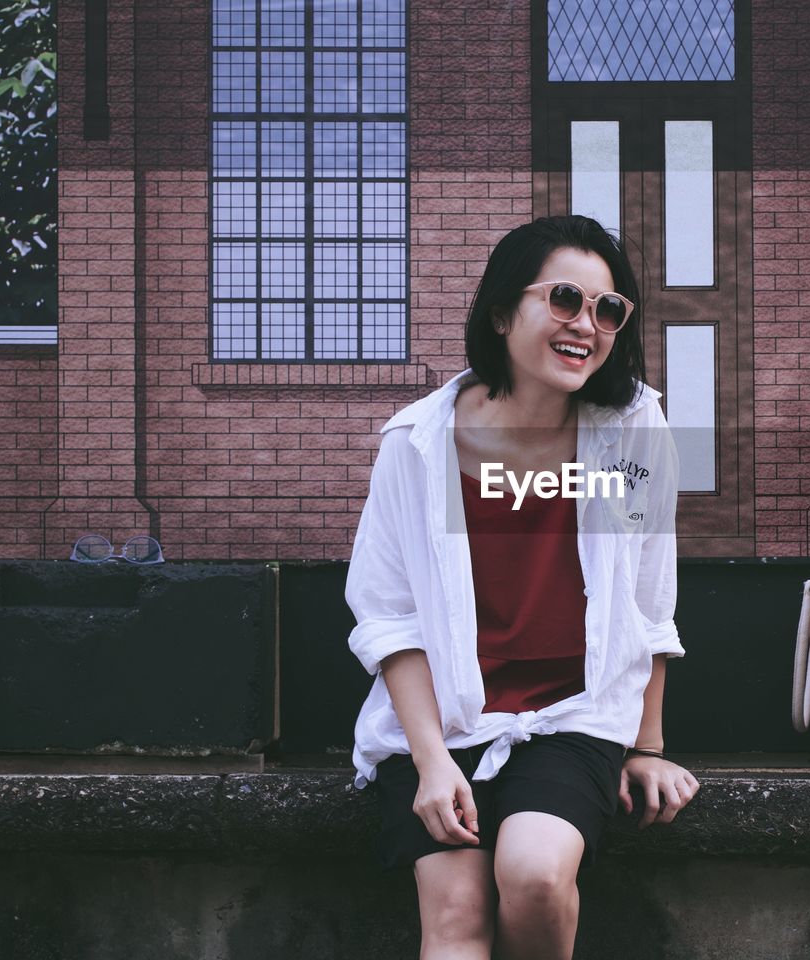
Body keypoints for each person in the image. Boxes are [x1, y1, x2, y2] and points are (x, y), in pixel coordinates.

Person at [345, 215, 699, 960]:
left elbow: (647, 596)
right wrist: (433, 763)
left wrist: (648, 747)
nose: (587, 326)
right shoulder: (417, 443)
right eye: (565, 299)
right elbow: (387, 618)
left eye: (609, 310)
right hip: (440, 725)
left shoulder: (629, 429)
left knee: (535, 875)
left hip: (572, 717)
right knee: (455, 913)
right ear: (503, 312)